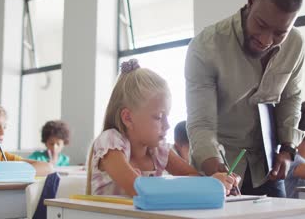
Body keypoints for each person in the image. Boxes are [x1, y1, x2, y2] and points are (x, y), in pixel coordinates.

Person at [185, 0, 305, 197]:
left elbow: (291, 97)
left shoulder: (295, 45)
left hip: (266, 168)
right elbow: (201, 124)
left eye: (279, 33)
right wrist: (220, 176)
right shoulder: (206, 47)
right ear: (250, 2)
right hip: (219, 166)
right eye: (261, 24)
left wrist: (288, 150)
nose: (266, 40)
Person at [86, 59, 237, 196]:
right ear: (128, 118)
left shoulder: (157, 150)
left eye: (167, 116)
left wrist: (216, 182)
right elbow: (139, 189)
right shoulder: (110, 142)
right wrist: (208, 184)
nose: (167, 125)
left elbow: (192, 177)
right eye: (158, 117)